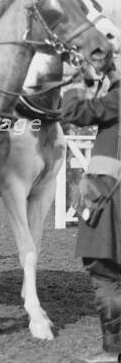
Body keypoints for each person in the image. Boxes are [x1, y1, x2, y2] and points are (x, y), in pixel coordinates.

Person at [62, 59, 121, 363]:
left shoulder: (118, 100)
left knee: (106, 276)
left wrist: (77, 84)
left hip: (110, 203)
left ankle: (112, 354)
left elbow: (73, 112)